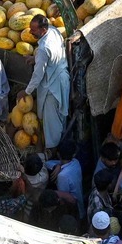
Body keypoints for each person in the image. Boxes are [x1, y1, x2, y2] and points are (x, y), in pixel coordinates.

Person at [26, 15, 69, 151]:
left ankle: (53, 151)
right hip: (62, 79)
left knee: (52, 123)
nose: (30, 32)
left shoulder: (44, 48)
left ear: (43, 30)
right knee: (60, 117)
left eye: (33, 30)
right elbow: (50, 57)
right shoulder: (54, 30)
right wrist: (36, 58)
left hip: (53, 86)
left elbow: (38, 75)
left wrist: (26, 91)